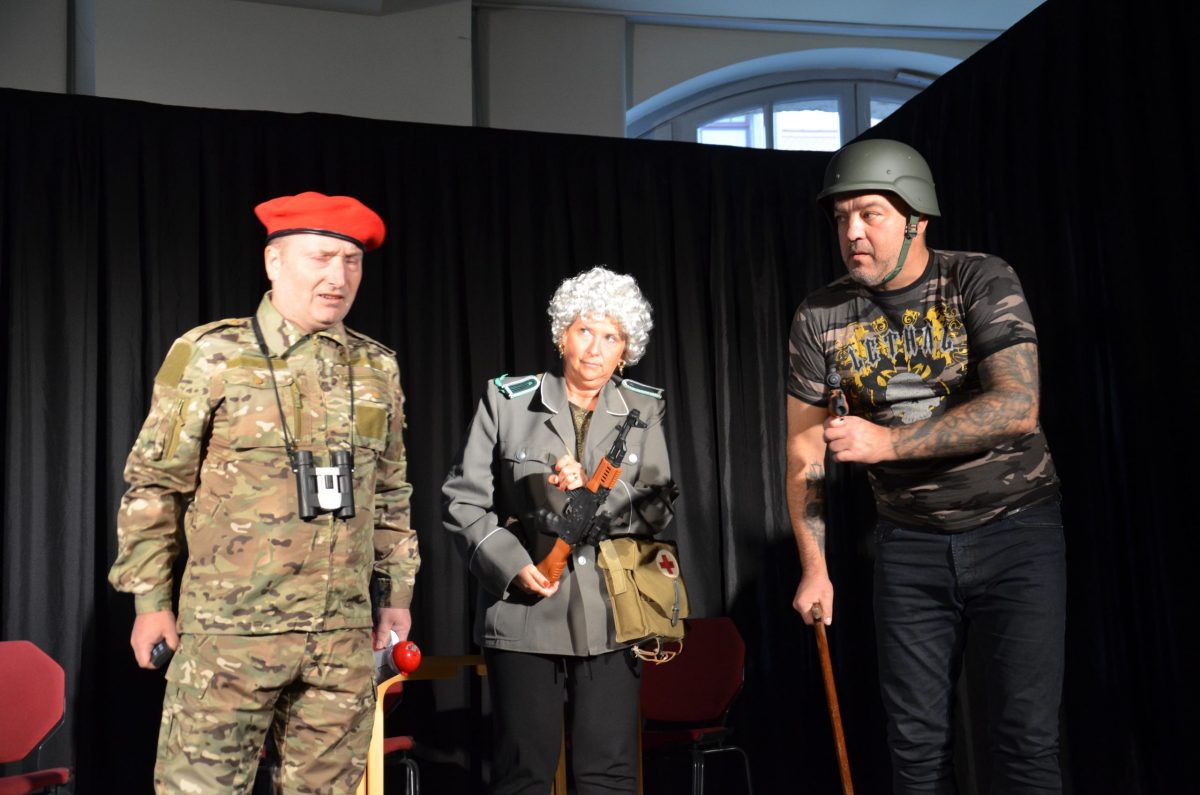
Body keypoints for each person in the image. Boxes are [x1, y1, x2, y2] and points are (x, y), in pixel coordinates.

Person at [108, 191, 420, 794]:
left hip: (340, 639)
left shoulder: (377, 368)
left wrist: (396, 594)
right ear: (274, 262)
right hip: (229, 635)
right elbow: (155, 485)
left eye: (352, 262)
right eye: (321, 258)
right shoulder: (211, 354)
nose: (338, 278)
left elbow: (389, 491)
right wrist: (150, 602)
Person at [786, 139, 1065, 793]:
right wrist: (814, 566)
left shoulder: (978, 278)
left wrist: (887, 445)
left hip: (1016, 529)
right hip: (909, 544)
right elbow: (804, 451)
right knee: (914, 749)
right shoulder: (820, 316)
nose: (852, 233)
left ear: (916, 218)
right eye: (841, 218)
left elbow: (1017, 406)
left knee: (1024, 739)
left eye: (870, 214)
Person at [443, 266, 677, 795]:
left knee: (609, 775)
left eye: (611, 336)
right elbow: (463, 500)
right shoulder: (506, 401)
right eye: (584, 330)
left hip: (614, 609)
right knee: (523, 775)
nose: (595, 349)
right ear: (561, 334)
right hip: (526, 608)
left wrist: (595, 492)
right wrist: (510, 567)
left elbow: (658, 507)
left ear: (626, 349)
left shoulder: (644, 407)